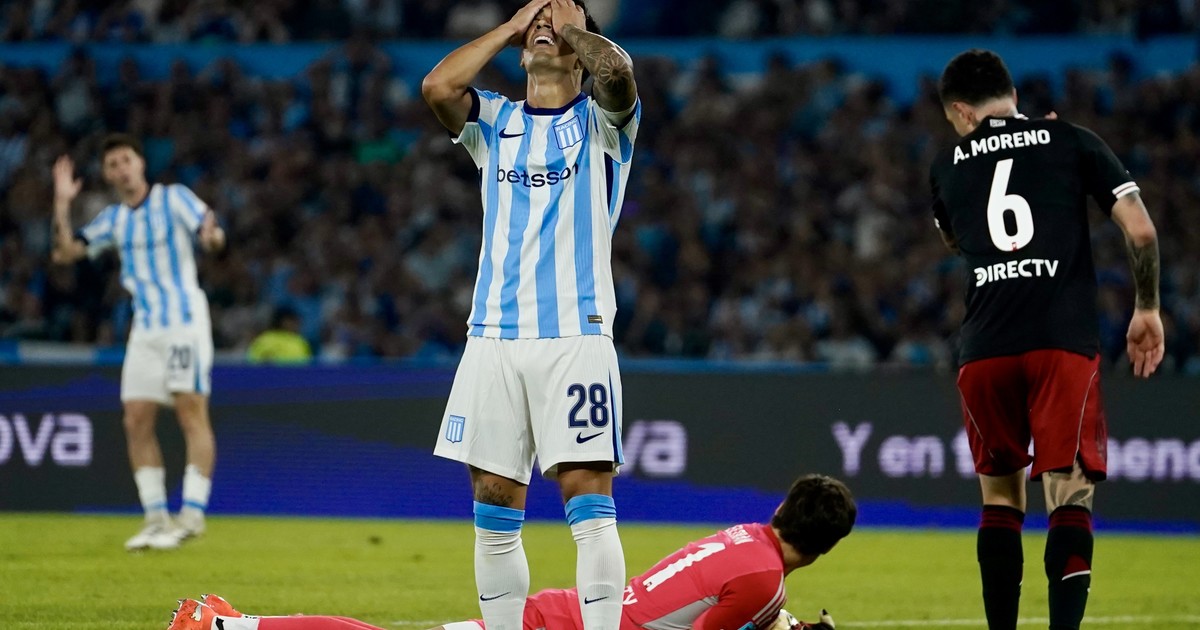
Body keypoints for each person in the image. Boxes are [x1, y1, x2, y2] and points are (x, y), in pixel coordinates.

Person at [421, 2, 640, 630]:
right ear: (520, 51)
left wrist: (569, 28)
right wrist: (514, 28)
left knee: (587, 500)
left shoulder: (603, 124)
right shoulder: (495, 122)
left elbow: (618, 74)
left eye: (559, 19)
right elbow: (437, 88)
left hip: (575, 334)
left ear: (579, 49)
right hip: (492, 336)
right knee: (493, 505)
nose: (545, 23)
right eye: (536, 20)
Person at [929, 50, 1164, 630]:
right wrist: (1147, 308)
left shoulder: (945, 164)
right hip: (1060, 341)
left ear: (962, 111)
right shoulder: (1071, 140)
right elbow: (1140, 230)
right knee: (1069, 494)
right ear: (1012, 95)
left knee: (999, 501)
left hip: (984, 347)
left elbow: (957, 241)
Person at [167, 475, 855, 630]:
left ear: (779, 510)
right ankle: (225, 626)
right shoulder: (765, 582)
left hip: (564, 613)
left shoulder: (746, 541)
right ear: (824, 551)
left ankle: (233, 623)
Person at [50, 134, 226, 551]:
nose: (121, 169)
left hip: (183, 321)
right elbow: (65, 254)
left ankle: (192, 515)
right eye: (112, 164)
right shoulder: (113, 220)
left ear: (141, 163)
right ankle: (155, 518)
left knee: (190, 412)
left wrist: (212, 237)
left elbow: (211, 233)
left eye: (126, 160)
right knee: (135, 419)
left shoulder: (173, 198)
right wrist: (61, 204)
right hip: (145, 329)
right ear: (107, 175)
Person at [247, 307, 313, 364]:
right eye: (291, 321)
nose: (295, 324)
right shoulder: (266, 339)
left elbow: (307, 366)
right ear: (282, 321)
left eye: (296, 321)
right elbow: (253, 361)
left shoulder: (301, 342)